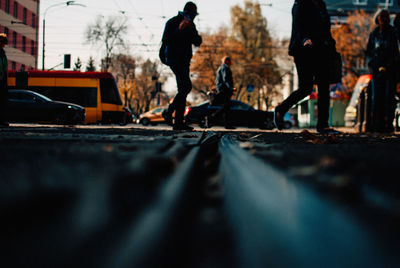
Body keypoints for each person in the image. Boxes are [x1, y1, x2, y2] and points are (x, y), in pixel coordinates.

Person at [274, 0, 339, 134]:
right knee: (305, 88)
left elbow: (326, 27)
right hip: (304, 50)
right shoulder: (300, 3)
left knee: (323, 86)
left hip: (321, 50)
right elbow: (298, 25)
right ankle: (281, 109)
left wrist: (331, 45)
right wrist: (305, 39)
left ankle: (323, 125)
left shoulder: (321, 5)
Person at [161, 1, 202, 131]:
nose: (194, 17)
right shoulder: (173, 22)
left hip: (184, 60)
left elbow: (197, 42)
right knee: (186, 86)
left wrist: (191, 30)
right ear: (186, 12)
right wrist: (179, 29)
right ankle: (169, 112)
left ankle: (178, 122)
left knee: (182, 89)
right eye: (193, 14)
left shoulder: (191, 25)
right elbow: (166, 39)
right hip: (173, 58)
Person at [366, 9, 399, 133]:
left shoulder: (392, 33)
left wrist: (388, 66)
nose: (383, 20)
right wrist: (374, 67)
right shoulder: (374, 34)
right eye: (381, 17)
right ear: (377, 18)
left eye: (385, 17)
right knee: (376, 98)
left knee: (388, 98)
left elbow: (394, 52)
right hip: (376, 72)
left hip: (390, 71)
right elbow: (369, 52)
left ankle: (388, 124)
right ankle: (377, 124)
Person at [207, 56, 235, 129]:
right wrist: (231, 88)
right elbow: (225, 79)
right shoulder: (225, 68)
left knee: (226, 107)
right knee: (226, 107)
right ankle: (211, 118)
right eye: (230, 61)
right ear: (227, 61)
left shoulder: (222, 68)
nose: (231, 63)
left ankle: (226, 124)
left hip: (222, 89)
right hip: (224, 90)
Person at [0, 33, 8, 127]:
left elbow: (5, 65)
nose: (3, 45)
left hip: (2, 78)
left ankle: (1, 120)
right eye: (2, 43)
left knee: (2, 100)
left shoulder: (2, 52)